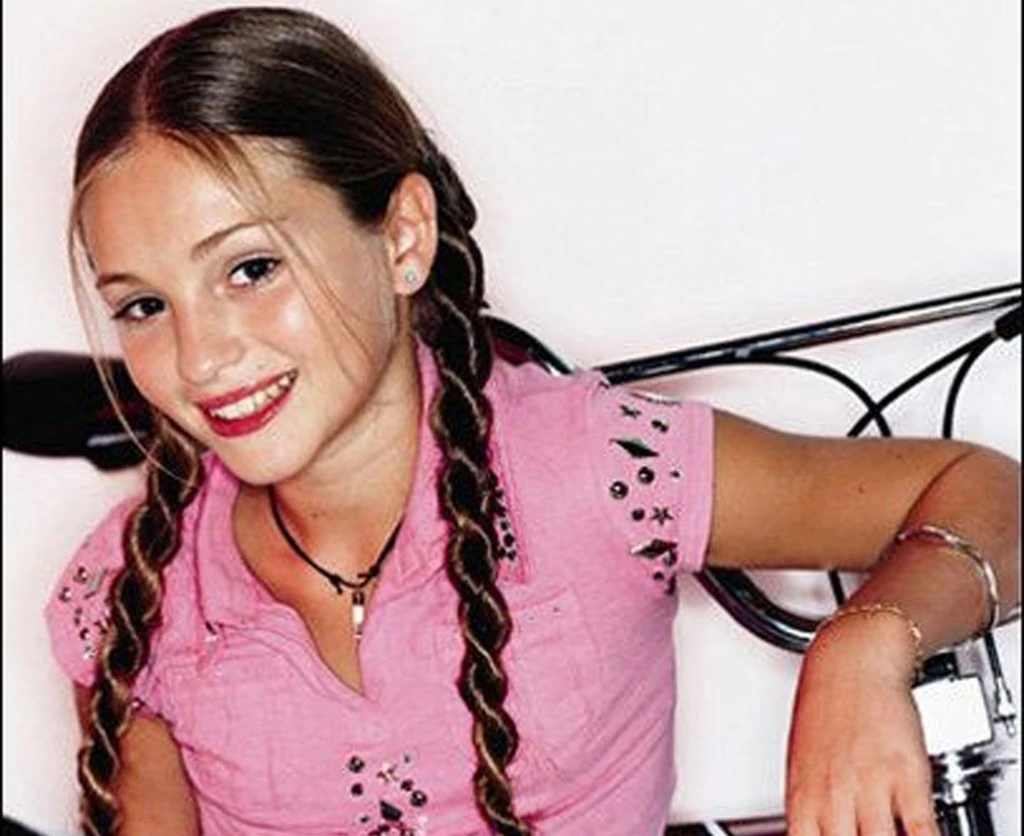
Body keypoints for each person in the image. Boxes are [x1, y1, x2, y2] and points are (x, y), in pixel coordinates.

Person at [43, 6, 1019, 836]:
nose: (201, 357)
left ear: (402, 238)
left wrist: (863, 645)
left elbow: (987, 494)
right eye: (144, 305)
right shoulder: (131, 592)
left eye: (251, 269)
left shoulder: (589, 470)